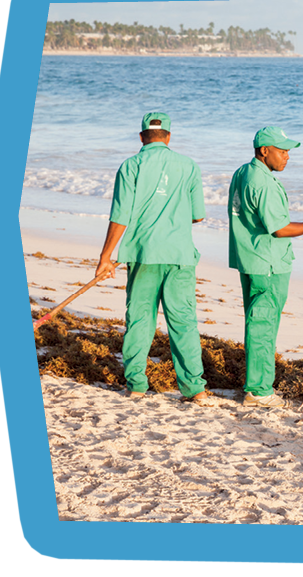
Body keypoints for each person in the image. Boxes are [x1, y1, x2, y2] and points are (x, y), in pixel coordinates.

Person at [96, 112, 213, 406]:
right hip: (179, 255)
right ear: (169, 137)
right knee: (184, 322)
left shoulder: (130, 165)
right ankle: (195, 389)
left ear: (141, 137)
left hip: (142, 253)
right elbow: (197, 215)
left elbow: (120, 216)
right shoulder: (188, 166)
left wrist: (105, 257)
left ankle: (136, 385)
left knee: (139, 321)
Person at [228, 126, 303, 408]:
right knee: (263, 326)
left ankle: (258, 385)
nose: (287, 156)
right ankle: (259, 390)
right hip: (268, 263)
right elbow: (278, 229)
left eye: (288, 151)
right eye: (282, 150)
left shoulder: (243, 172)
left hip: (252, 259)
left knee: (258, 322)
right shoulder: (262, 182)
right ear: (264, 151)